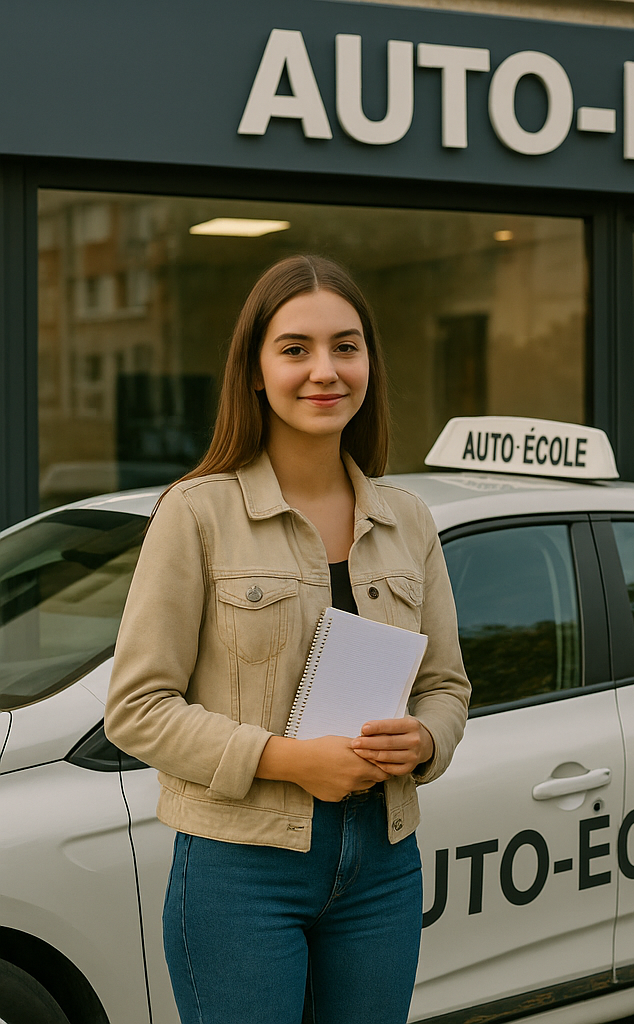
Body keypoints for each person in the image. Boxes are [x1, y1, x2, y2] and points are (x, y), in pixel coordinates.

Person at [105, 255, 472, 1024]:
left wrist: (425, 743)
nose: (325, 371)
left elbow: (446, 687)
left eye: (346, 346)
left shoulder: (409, 519)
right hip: (240, 871)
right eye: (295, 348)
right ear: (255, 371)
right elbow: (138, 708)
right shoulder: (198, 513)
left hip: (382, 863)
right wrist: (287, 759)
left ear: (369, 360)